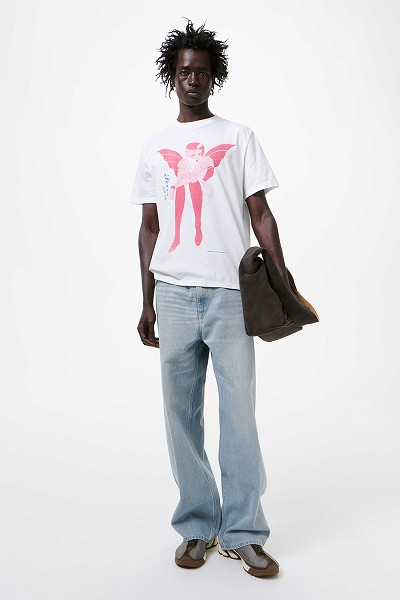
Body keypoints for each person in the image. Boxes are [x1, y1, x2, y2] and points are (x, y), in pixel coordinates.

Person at [131, 20, 289, 578]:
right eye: (184, 71)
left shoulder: (239, 137)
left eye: (201, 71)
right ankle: (198, 524)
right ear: (172, 77)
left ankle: (244, 531)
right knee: (181, 414)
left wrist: (282, 275)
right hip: (174, 295)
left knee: (238, 413)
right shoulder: (156, 147)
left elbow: (260, 214)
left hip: (229, 295)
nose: (193, 79)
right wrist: (147, 301)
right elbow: (149, 229)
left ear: (213, 76)